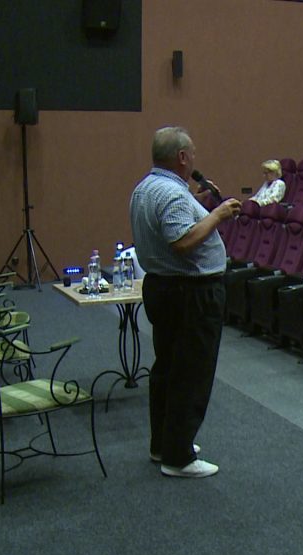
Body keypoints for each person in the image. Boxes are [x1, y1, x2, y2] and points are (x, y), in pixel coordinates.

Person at [130, 126, 242, 479]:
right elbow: (181, 241)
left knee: (166, 367)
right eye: (191, 152)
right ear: (181, 157)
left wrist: (202, 211)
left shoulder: (145, 188)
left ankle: (163, 443)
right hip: (190, 293)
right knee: (190, 372)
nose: (194, 157)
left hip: (163, 288)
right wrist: (219, 215)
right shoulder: (173, 194)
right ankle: (178, 457)